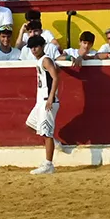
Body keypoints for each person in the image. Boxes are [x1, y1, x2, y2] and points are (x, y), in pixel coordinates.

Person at [23, 34, 65, 175]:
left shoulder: (45, 60)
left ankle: (49, 164)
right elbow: (56, 72)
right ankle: (53, 143)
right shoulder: (43, 60)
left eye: (36, 47)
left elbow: (56, 77)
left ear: (42, 47)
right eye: (31, 48)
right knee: (31, 124)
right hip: (41, 101)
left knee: (46, 133)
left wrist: (51, 97)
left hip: (47, 101)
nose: (33, 50)